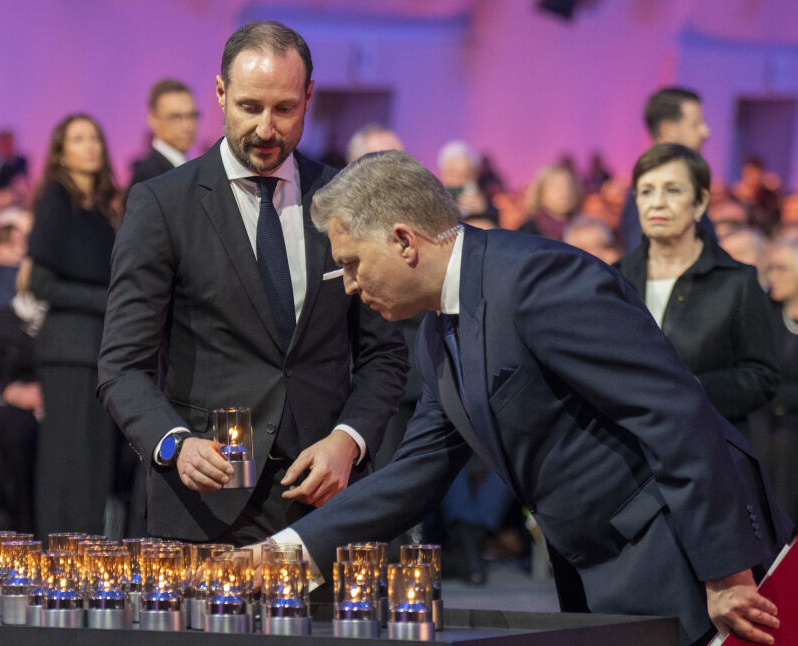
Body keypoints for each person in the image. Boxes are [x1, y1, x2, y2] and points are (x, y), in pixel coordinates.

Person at [276, 150, 792, 646]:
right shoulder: (436, 334)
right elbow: (414, 475)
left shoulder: (536, 280)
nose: (348, 284)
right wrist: (284, 557)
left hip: (683, 556)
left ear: (404, 242)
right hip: (600, 567)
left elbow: (672, 410)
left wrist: (726, 570)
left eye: (351, 263)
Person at [98, 20, 408, 545]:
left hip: (326, 496)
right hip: (206, 501)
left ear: (309, 97)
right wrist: (174, 443)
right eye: (249, 107)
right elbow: (122, 366)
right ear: (220, 93)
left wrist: (348, 440)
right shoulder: (162, 205)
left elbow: (385, 354)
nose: (266, 129)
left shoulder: (346, 197)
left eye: (284, 109)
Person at [616, 144, 778, 434]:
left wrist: (692, 390)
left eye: (673, 190)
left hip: (705, 448)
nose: (657, 202)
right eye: (646, 191)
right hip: (627, 450)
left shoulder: (736, 281)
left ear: (700, 202)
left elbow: (761, 377)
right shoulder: (614, 278)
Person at [28, 113, 120, 537]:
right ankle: (57, 557)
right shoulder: (55, 199)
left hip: (101, 348)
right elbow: (41, 282)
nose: (90, 146)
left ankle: (86, 553)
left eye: (95, 138)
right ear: (61, 150)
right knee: (66, 459)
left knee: (95, 459)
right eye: (78, 139)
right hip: (66, 347)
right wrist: (107, 301)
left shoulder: (105, 208)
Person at [0, 258, 45, 532]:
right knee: (18, 431)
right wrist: (13, 393)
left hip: (61, 406)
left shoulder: (75, 324)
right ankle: (22, 529)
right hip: (9, 406)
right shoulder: (5, 318)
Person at [620, 87, 713, 252]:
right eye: (696, 124)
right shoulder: (646, 192)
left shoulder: (689, 181)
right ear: (667, 130)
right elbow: (642, 261)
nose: (705, 132)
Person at [750, 237, 798, 523]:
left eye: (781, 269)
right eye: (769, 268)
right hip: (767, 433)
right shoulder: (764, 314)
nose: (771, 277)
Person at [130, 79, 199, 187]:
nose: (188, 126)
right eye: (176, 117)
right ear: (153, 119)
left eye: (191, 116)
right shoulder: (147, 177)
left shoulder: (189, 168)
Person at [517, 165, 580, 240]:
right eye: (556, 186)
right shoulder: (528, 231)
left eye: (569, 186)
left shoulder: (585, 227)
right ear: (541, 192)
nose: (565, 191)